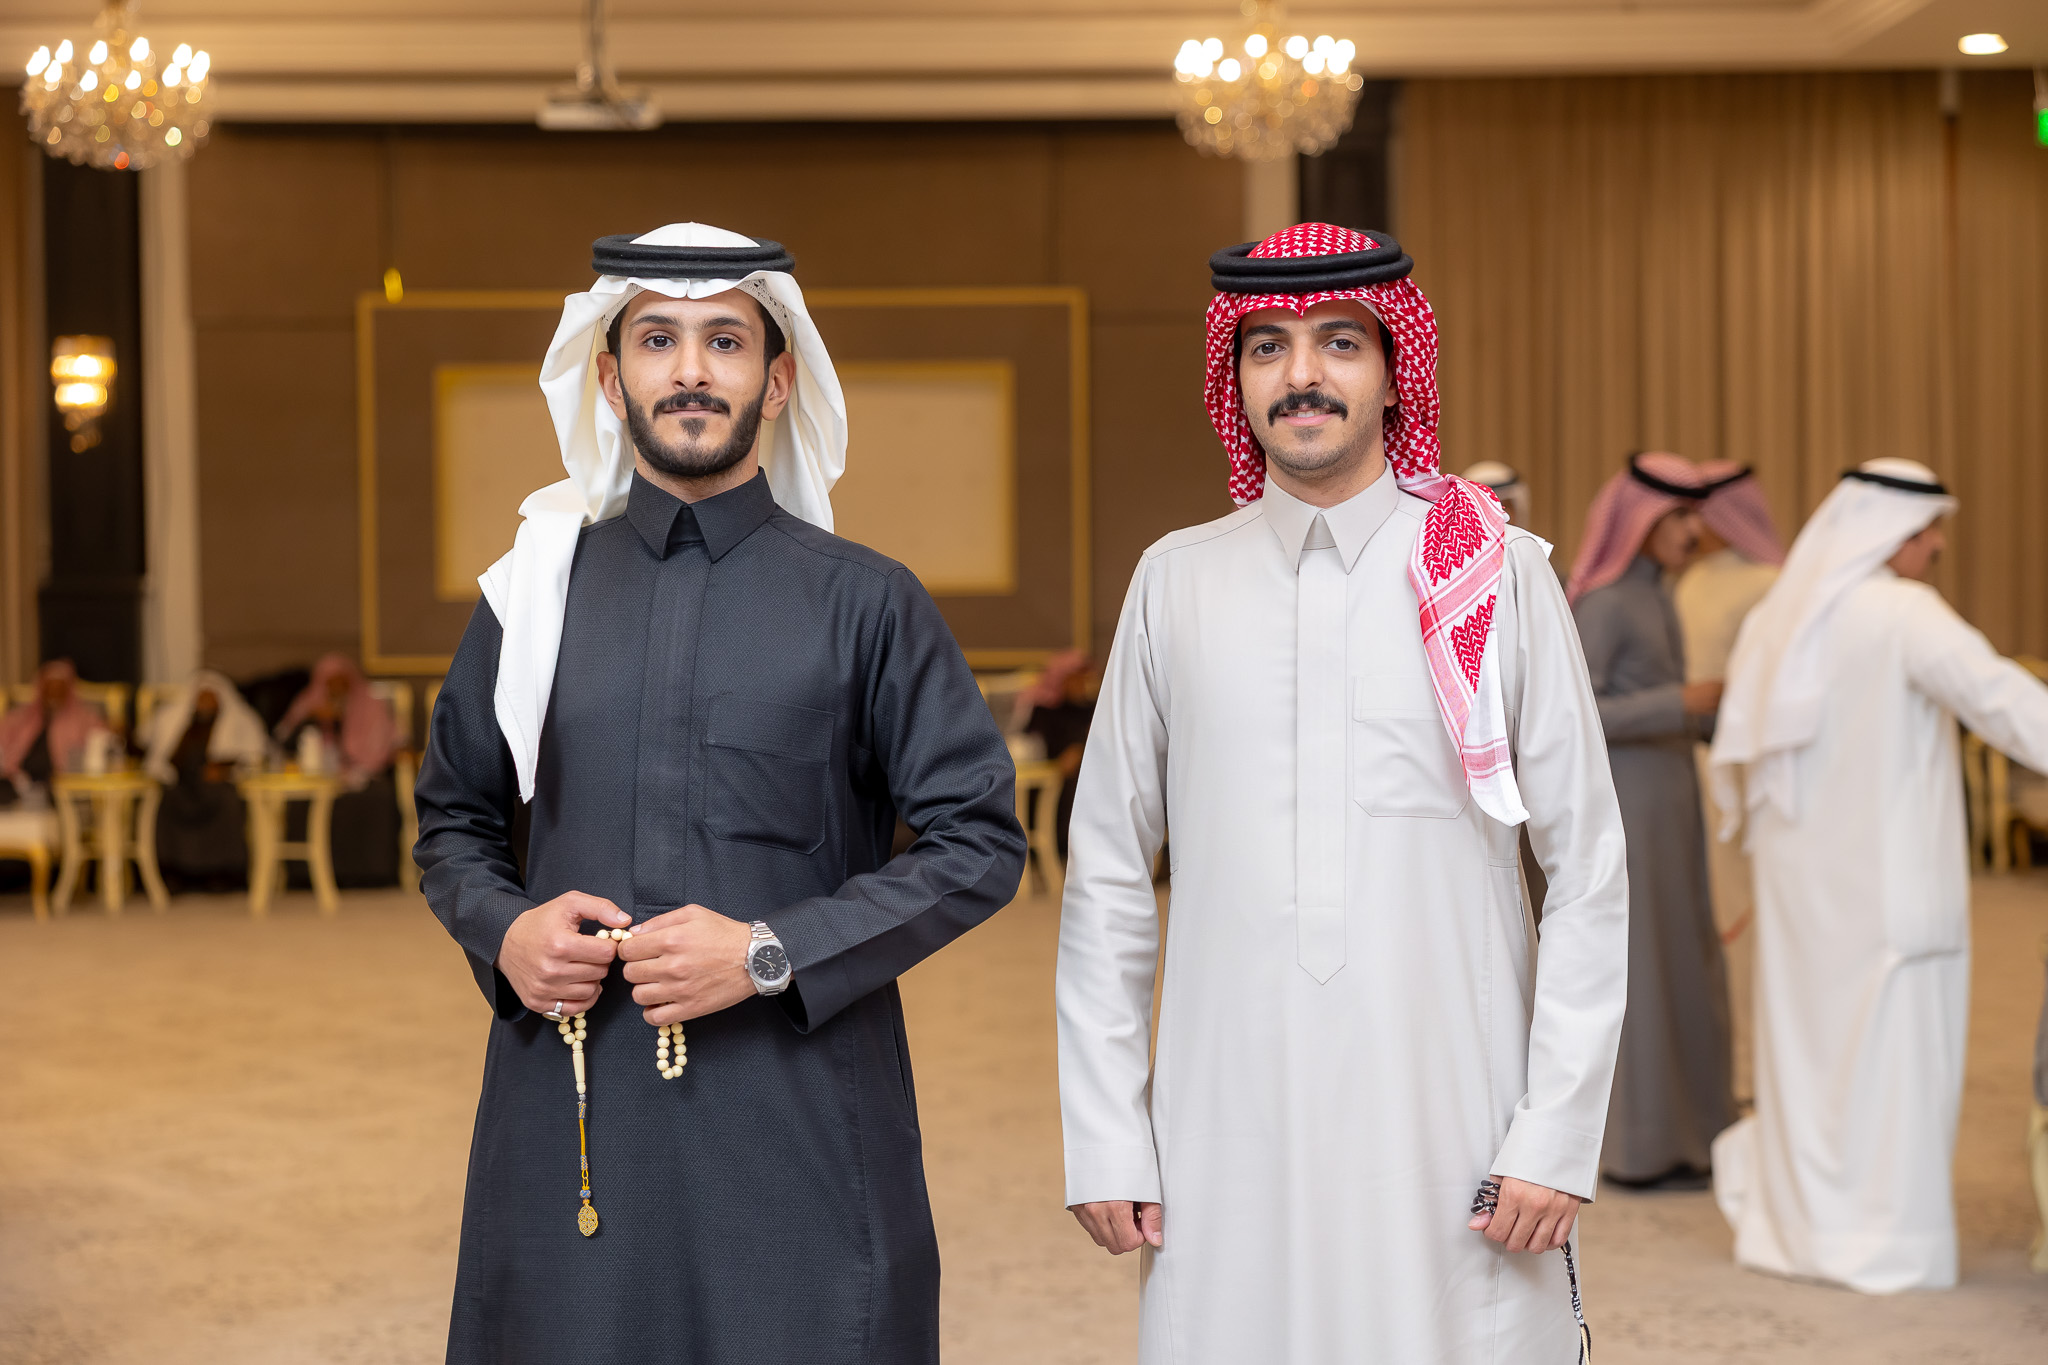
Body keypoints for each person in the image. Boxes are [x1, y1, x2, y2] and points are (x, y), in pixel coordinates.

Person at [413, 224, 1024, 1364]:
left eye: (726, 342)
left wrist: (768, 953)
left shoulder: (868, 603)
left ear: (777, 382)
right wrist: (506, 931)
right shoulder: (529, 598)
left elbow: (979, 841)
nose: (690, 369)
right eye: (657, 340)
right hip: (575, 1097)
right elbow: (453, 818)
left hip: (796, 1101)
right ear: (610, 380)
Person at [1056, 223, 1628, 1363]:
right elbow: (1108, 877)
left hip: (1452, 1106)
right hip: (1225, 1111)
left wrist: (1557, 1129)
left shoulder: (1496, 573)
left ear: (1394, 373)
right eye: (1266, 346)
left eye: (1339, 342)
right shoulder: (1175, 579)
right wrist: (1107, 1131)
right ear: (1234, 380)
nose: (1301, 374)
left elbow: (1588, 869)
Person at [1709, 457, 2048, 1293]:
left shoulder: (1780, 613)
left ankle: (1799, 1233)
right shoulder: (1902, 611)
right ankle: (1887, 1243)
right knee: (1894, 1066)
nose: (1936, 547)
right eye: (1929, 530)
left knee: (1808, 1054)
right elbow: (2005, 701)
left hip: (1800, 886)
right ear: (1893, 533)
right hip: (1892, 893)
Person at [1568, 452, 1733, 1187]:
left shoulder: (1657, 595)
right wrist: (1680, 702)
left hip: (1671, 801)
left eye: (1696, 516)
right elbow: (1575, 714)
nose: (1694, 532)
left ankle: (1691, 1135)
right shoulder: (1606, 603)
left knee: (1681, 960)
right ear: (1641, 521)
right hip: (1631, 805)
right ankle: (1637, 1148)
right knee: (1642, 967)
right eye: (1679, 517)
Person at [1673, 461, 1785, 1105]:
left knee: (1741, 923)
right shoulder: (1693, 579)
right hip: (1682, 767)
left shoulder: (1768, 584)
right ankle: (1715, 1065)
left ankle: (1751, 1073)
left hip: (1737, 777)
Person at [275, 654, 401, 886]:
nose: (336, 688)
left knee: (378, 798)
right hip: (317, 776)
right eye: (330, 683)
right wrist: (314, 719)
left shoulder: (371, 704)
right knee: (301, 803)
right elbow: (284, 740)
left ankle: (372, 874)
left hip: (365, 774)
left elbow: (381, 747)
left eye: (341, 682)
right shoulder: (308, 704)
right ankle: (304, 875)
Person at [142, 669, 269, 890]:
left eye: (211, 698)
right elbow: (159, 757)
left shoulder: (239, 722)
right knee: (163, 798)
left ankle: (223, 873)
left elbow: (254, 757)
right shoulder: (178, 723)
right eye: (202, 698)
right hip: (181, 783)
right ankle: (173, 872)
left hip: (219, 783)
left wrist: (225, 770)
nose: (206, 703)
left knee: (226, 799)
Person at [1016, 649, 1098, 859]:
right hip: (1046, 783)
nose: (1082, 683)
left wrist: (1080, 749)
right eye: (1075, 678)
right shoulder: (1044, 710)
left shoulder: (1091, 708)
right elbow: (1033, 748)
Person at [0, 659, 107, 805]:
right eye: (50, 688)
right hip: (19, 783)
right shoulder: (22, 718)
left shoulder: (85, 719)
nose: (54, 694)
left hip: (60, 785)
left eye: (59, 689)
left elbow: (102, 742)